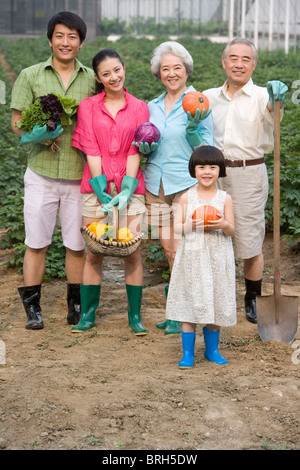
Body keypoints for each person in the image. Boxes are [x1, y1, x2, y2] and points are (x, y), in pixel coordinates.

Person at [11, 11, 96, 330]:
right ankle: (33, 308)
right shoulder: (31, 75)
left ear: (81, 43)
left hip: (78, 176)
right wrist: (38, 134)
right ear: (50, 40)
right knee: (36, 242)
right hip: (41, 174)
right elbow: (17, 123)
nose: (65, 42)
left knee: (76, 245)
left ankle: (74, 305)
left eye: (72, 37)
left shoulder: (91, 78)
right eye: (60, 36)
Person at [203, 37, 288, 324]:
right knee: (211, 235)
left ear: (254, 64)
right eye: (233, 58)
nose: (239, 64)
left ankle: (252, 299)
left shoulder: (264, 96)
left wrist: (278, 99)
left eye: (246, 59)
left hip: (248, 174)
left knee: (249, 239)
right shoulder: (208, 96)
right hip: (212, 175)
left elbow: (275, 117)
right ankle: (216, 297)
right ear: (224, 62)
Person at [136, 41, 214, 336]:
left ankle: (191, 313)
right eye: (165, 68)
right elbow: (149, 141)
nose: (171, 73)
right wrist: (143, 149)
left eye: (177, 68)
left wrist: (194, 132)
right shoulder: (151, 106)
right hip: (156, 183)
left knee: (185, 251)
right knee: (169, 251)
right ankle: (175, 314)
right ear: (158, 73)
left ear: (186, 71)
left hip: (186, 184)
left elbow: (209, 151)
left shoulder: (199, 103)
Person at [70, 49, 149, 335]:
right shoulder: (88, 106)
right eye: (106, 74)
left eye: (117, 70)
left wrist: (127, 189)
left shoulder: (139, 107)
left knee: (132, 252)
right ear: (98, 78)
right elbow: (90, 148)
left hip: (132, 184)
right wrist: (101, 190)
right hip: (95, 186)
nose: (113, 77)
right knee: (94, 251)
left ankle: (135, 316)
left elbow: (135, 148)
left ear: (124, 68)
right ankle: (88, 316)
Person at [166, 145, 236, 368]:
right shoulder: (187, 198)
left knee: (215, 300)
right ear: (193, 170)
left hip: (217, 258)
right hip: (194, 258)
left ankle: (212, 350)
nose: (207, 172)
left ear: (220, 170)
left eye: (212, 167)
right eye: (201, 167)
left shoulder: (225, 198)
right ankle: (188, 353)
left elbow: (231, 230)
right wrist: (190, 224)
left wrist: (224, 223)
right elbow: (177, 228)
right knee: (191, 303)